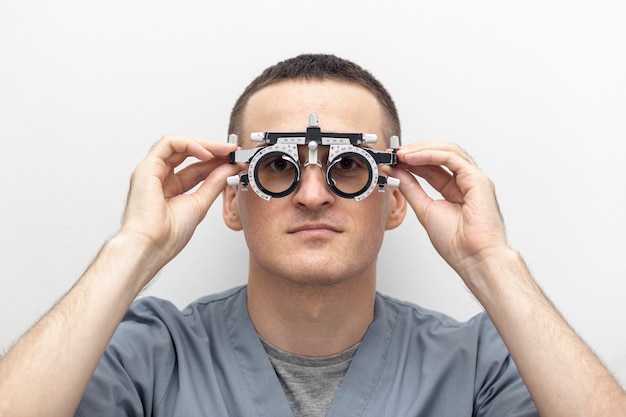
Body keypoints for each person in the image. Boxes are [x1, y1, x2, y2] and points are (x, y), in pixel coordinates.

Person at [0, 54, 624, 417]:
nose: (313, 192)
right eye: (279, 166)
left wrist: (491, 261)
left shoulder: (481, 363)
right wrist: (134, 248)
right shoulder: (149, 355)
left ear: (397, 200)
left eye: (349, 167)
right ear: (234, 202)